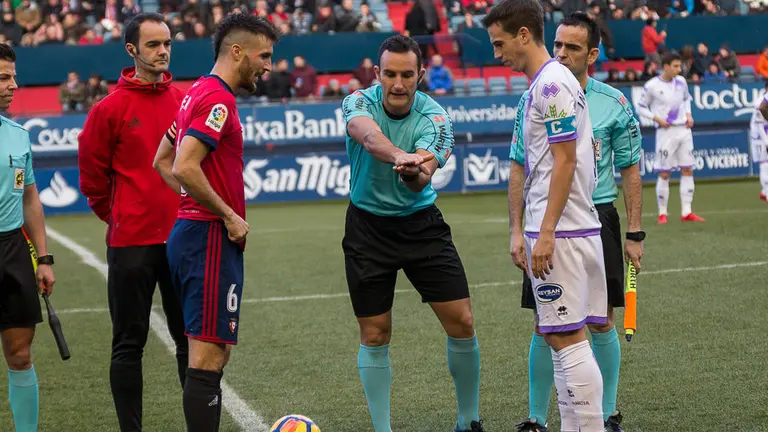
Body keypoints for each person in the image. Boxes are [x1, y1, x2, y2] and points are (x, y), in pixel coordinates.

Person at [341, 34, 483, 432]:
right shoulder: (357, 101)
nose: (398, 84)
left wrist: (414, 170)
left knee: (463, 321)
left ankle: (468, 421)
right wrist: (401, 156)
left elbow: (420, 182)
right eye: (390, 74)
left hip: (421, 226)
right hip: (367, 229)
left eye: (407, 74)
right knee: (375, 331)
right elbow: (368, 137)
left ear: (421, 74)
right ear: (377, 74)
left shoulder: (437, 119)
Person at [511, 12, 644, 432]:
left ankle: (605, 413)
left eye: (572, 47)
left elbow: (630, 168)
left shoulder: (614, 102)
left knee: (599, 319)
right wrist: (516, 227)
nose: (562, 54)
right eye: (558, 45)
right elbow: (519, 163)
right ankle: (536, 416)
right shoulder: (535, 94)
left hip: (596, 218)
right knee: (546, 321)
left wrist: (634, 232)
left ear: (593, 54)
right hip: (547, 221)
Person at [484, 1, 606, 430]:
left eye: (500, 43)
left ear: (523, 36)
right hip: (566, 226)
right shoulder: (548, 82)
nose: (497, 54)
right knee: (559, 336)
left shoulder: (551, 85)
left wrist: (547, 231)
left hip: (563, 230)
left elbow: (565, 161)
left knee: (566, 337)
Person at [152, 14, 277, 431]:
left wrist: (193, 206)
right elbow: (184, 166)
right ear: (236, 52)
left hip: (196, 233)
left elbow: (162, 161)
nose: (269, 66)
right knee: (206, 360)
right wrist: (224, 214)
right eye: (264, 56)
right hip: (206, 238)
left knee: (214, 353)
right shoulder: (218, 99)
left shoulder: (194, 94)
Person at [77, 13, 189, 431]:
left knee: (189, 341)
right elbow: (92, 179)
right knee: (128, 344)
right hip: (131, 245)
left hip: (184, 239)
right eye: (153, 45)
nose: (163, 51)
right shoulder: (109, 109)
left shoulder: (185, 101)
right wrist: (122, 215)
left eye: (167, 43)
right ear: (131, 51)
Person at [0, 43, 56, 432]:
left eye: (13, 76)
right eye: (4, 77)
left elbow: (31, 198)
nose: (13, 85)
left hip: (13, 252)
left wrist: (45, 258)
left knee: (20, 355)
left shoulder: (19, 136)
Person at [636, 51, 705, 224]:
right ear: (665, 66)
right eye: (675, 66)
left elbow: (686, 99)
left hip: (684, 130)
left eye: (679, 65)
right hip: (665, 132)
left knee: (687, 169)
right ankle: (662, 213)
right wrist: (656, 118)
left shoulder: (681, 82)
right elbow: (640, 107)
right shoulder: (651, 85)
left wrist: (689, 115)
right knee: (665, 173)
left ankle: (687, 211)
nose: (679, 69)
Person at [750, 81, 768, 202]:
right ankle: (766, 191)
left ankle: (764, 192)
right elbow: (760, 125)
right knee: (764, 163)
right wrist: (766, 142)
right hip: (760, 137)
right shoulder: (759, 102)